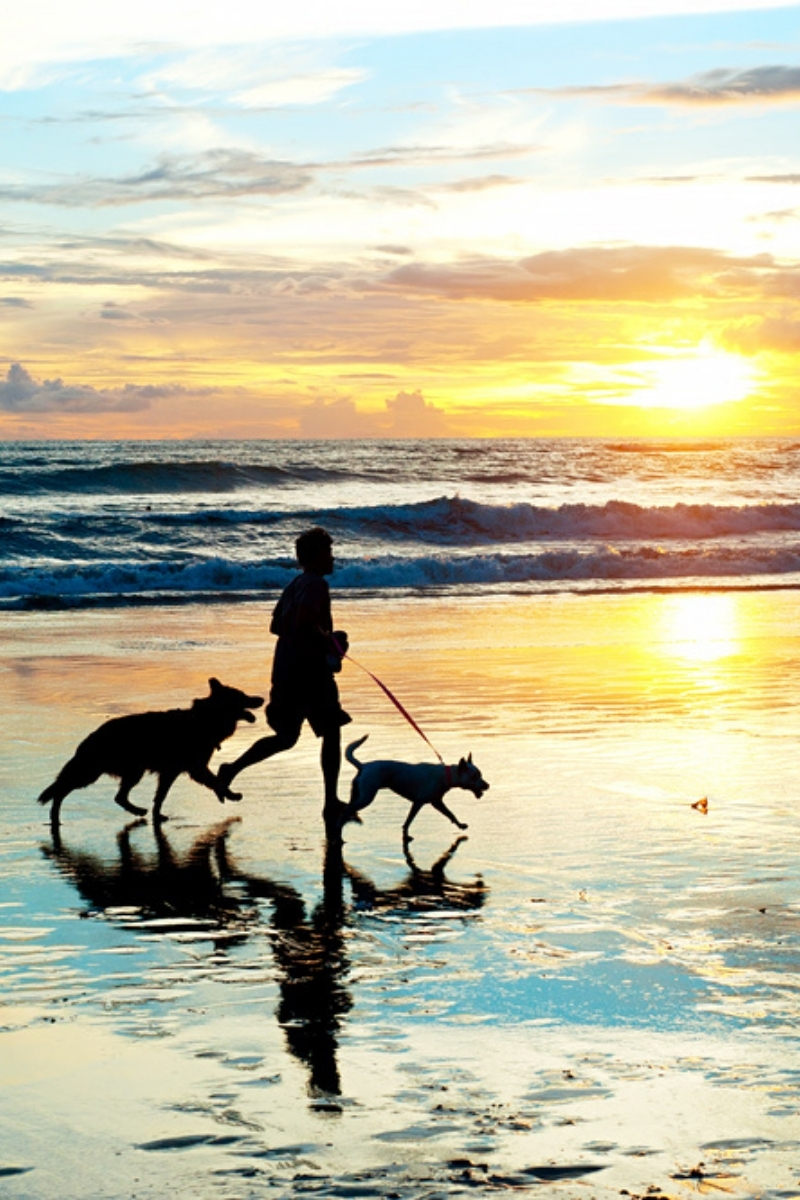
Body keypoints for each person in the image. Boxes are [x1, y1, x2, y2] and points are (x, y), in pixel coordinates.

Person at [216, 527, 351, 830]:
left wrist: (318, 638)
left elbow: (276, 626)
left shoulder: (295, 584)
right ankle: (331, 803)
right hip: (310, 674)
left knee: (286, 738)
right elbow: (304, 624)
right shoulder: (316, 585)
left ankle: (231, 769)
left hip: (286, 671)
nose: (332, 558)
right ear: (316, 556)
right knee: (331, 731)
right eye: (328, 552)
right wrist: (329, 643)